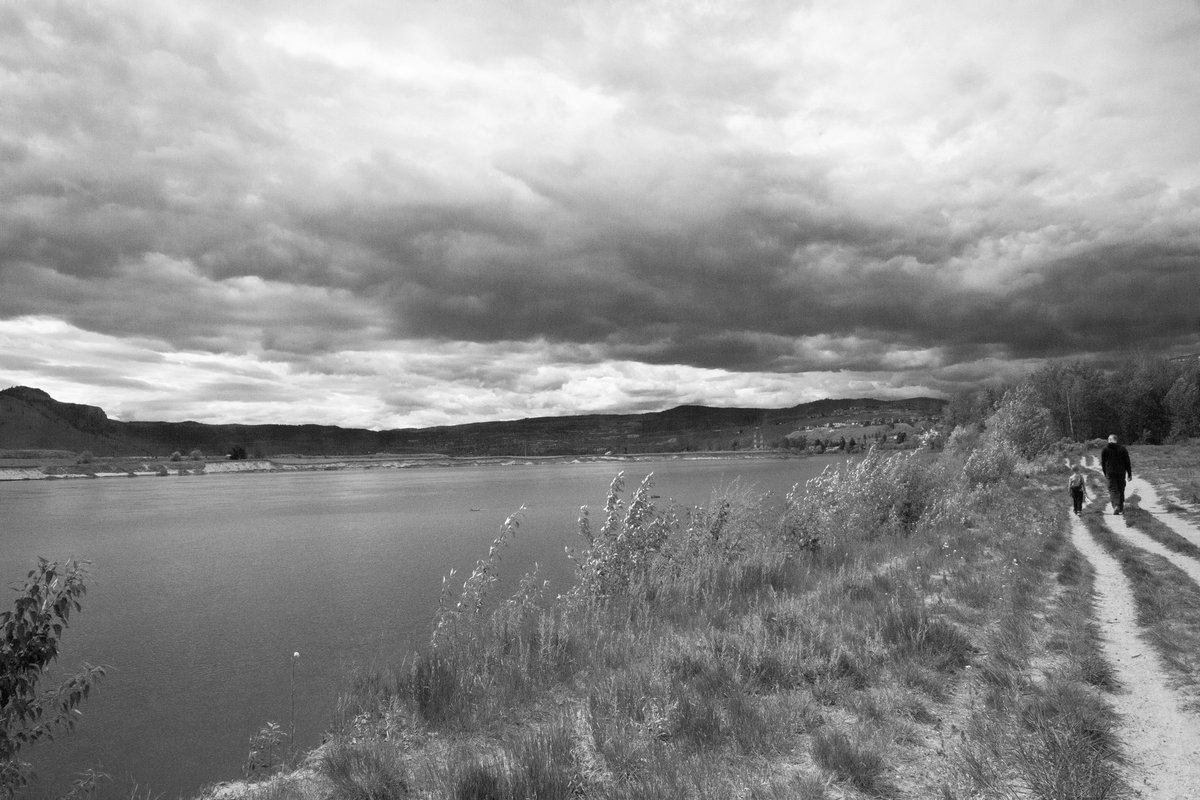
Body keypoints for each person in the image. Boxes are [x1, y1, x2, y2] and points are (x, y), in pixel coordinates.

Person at [1100, 434, 1132, 515]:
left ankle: (1116, 506)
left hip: (1110, 472)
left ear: (1109, 440)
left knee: (1113, 489)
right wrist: (1129, 474)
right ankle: (1120, 508)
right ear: (1116, 440)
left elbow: (1103, 463)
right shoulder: (1123, 449)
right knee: (1121, 489)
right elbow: (1127, 462)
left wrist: (1105, 472)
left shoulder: (1105, 449)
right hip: (1121, 472)